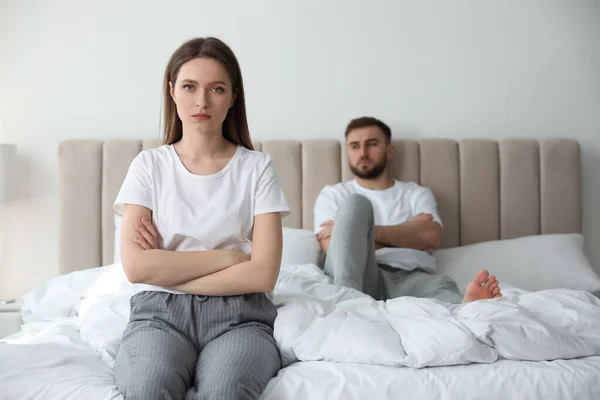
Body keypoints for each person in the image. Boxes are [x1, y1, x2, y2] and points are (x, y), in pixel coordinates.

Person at [112, 37, 290, 400]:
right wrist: (226, 258)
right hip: (158, 315)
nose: (202, 101)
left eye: (217, 89)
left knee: (225, 391)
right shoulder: (148, 166)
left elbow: (263, 273)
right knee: (147, 388)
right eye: (190, 87)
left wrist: (169, 269)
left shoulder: (257, 168)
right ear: (172, 92)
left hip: (241, 316)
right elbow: (136, 268)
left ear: (234, 97)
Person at [314, 116, 502, 303]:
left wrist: (361, 231)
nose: (362, 152)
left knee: (442, 287)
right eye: (354, 146)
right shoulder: (333, 194)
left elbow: (430, 236)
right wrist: (408, 234)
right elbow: (335, 248)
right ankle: (349, 304)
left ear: (389, 150)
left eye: (372, 144)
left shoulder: (415, 193)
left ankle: (464, 308)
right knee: (355, 204)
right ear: (347, 152)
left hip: (412, 278)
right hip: (358, 276)